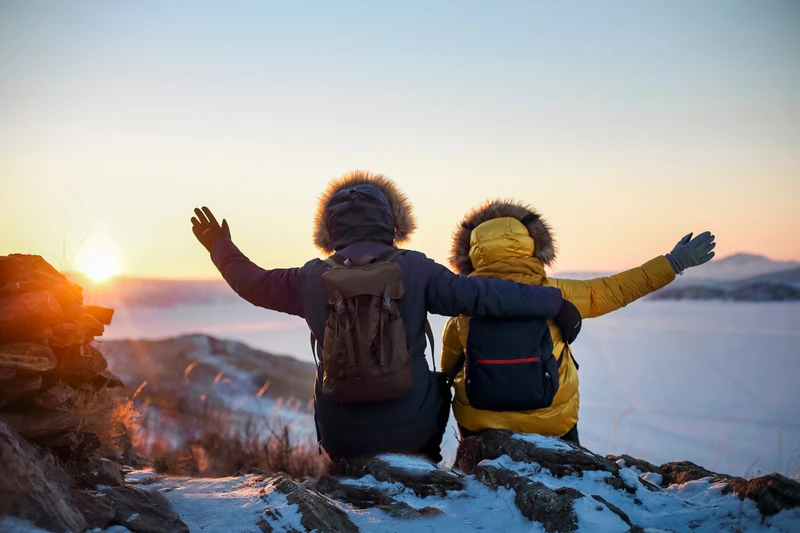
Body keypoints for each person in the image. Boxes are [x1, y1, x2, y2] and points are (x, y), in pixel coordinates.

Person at [190, 171, 582, 462]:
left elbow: (252, 283)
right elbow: (485, 296)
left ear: (330, 230)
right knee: (440, 380)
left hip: (341, 436)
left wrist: (220, 245)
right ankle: (424, 466)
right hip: (412, 432)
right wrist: (552, 302)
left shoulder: (309, 278)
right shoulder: (416, 269)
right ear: (392, 224)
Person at [440, 200, 716, 445]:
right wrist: (674, 262)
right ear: (534, 246)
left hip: (480, 419)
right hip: (552, 419)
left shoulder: (467, 303)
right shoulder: (559, 293)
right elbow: (617, 288)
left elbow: (449, 364)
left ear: (471, 254)